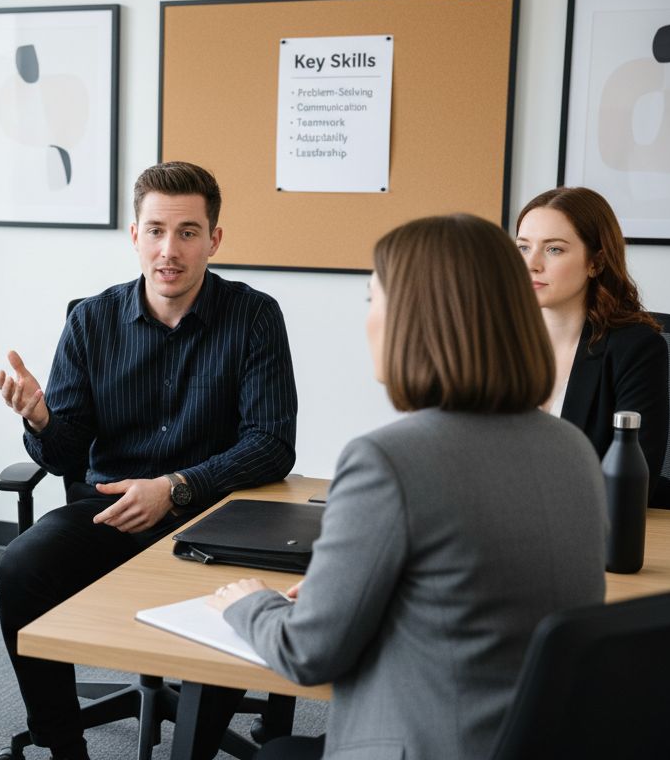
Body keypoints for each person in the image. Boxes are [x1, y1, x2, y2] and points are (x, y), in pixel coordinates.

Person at [208, 214, 607, 760]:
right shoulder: (573, 449)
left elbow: (306, 654)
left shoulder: (388, 460)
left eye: (373, 299)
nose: (368, 319)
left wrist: (249, 603)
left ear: (416, 319)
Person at [0, 160, 298, 760]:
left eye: (188, 232)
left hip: (214, 516)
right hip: (109, 513)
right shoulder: (92, 321)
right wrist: (40, 419)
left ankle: (195, 751)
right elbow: (64, 455)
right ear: (134, 235)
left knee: (235, 601)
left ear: (214, 239)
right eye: (156, 230)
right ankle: (63, 747)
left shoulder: (254, 316)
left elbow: (272, 443)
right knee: (18, 570)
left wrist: (176, 486)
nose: (170, 250)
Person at [515, 187, 669, 505]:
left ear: (595, 263)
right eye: (523, 248)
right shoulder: (499, 340)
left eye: (554, 250)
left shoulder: (636, 348)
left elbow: (632, 481)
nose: (532, 264)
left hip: (589, 531)